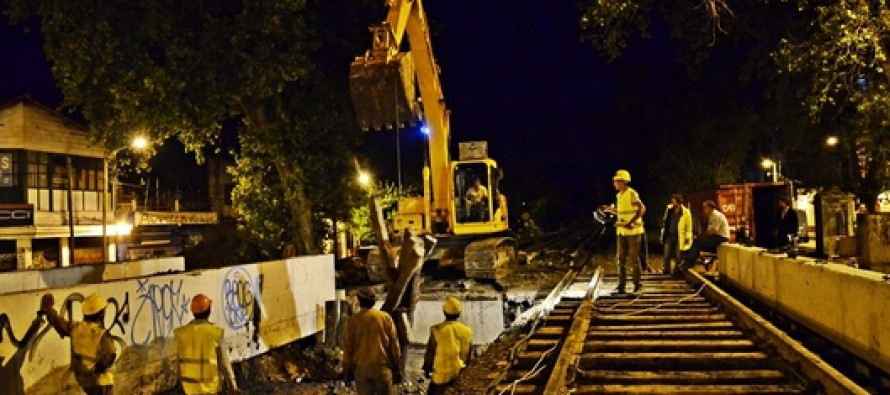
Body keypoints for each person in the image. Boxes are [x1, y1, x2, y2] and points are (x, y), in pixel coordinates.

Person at [40, 292, 117, 395]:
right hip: (100, 381)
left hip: (83, 380)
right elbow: (111, 353)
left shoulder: (75, 328)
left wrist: (49, 310)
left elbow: (59, 323)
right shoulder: (102, 333)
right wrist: (101, 367)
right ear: (101, 314)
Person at [173, 294, 238, 395]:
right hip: (210, 388)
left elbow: (178, 363)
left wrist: (179, 384)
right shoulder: (215, 333)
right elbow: (224, 364)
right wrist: (233, 386)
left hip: (189, 389)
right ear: (209, 311)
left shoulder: (181, 333)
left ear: (193, 311)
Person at [343, 287, 402, 395]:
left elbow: (348, 348)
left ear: (359, 300)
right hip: (382, 369)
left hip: (362, 370)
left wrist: (347, 370)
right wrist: (397, 367)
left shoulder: (352, 321)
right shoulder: (385, 318)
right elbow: (394, 345)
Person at [422, 297, 473, 395]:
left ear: (444, 312)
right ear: (459, 313)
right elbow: (469, 354)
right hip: (459, 374)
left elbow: (430, 352)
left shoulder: (436, 330)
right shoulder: (467, 331)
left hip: (441, 377)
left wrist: (427, 368)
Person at [610, 169, 646, 294]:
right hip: (621, 232)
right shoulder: (619, 196)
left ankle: (637, 285)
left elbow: (642, 209)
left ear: (622, 182)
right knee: (620, 260)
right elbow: (622, 212)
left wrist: (631, 222)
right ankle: (621, 286)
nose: (614, 183)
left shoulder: (632, 193)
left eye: (616, 181)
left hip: (633, 232)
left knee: (633, 259)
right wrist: (610, 210)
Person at [679, 200, 730, 272]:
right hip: (717, 237)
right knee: (697, 242)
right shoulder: (711, 216)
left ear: (710, 208)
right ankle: (688, 263)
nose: (704, 210)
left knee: (697, 242)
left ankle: (688, 264)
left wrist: (701, 236)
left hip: (721, 238)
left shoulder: (716, 215)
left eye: (705, 208)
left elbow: (713, 231)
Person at [661, 194, 693, 275]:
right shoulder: (669, 209)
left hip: (679, 236)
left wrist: (688, 238)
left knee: (679, 255)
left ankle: (677, 271)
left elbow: (689, 226)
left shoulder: (686, 212)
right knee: (666, 254)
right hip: (669, 234)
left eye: (674, 201)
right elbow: (665, 221)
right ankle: (666, 270)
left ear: (678, 202)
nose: (672, 202)